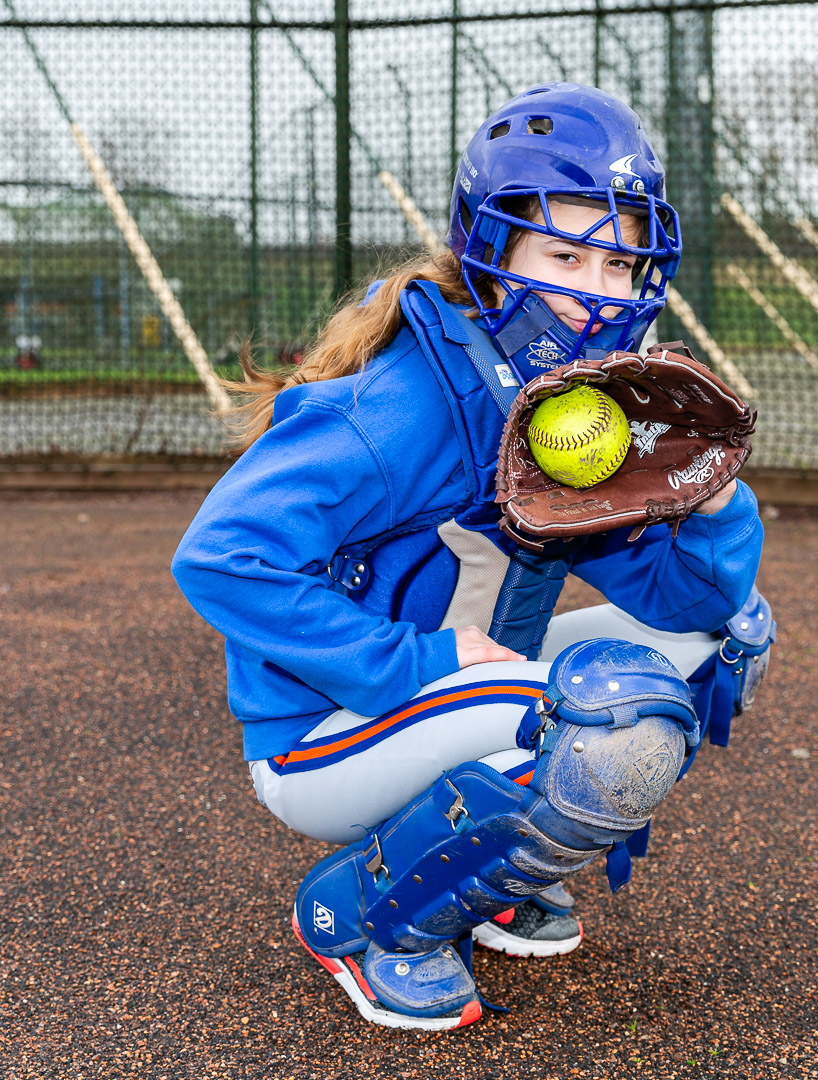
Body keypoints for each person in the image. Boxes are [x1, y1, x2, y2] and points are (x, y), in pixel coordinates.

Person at [172, 83, 774, 1032]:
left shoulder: (570, 400)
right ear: (490, 254)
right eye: (567, 256)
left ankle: (487, 876)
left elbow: (681, 595)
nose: (598, 297)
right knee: (616, 718)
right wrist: (417, 663)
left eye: (622, 266)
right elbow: (218, 558)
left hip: (459, 696)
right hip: (329, 730)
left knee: (727, 633)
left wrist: (708, 498)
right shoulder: (399, 406)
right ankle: (364, 920)